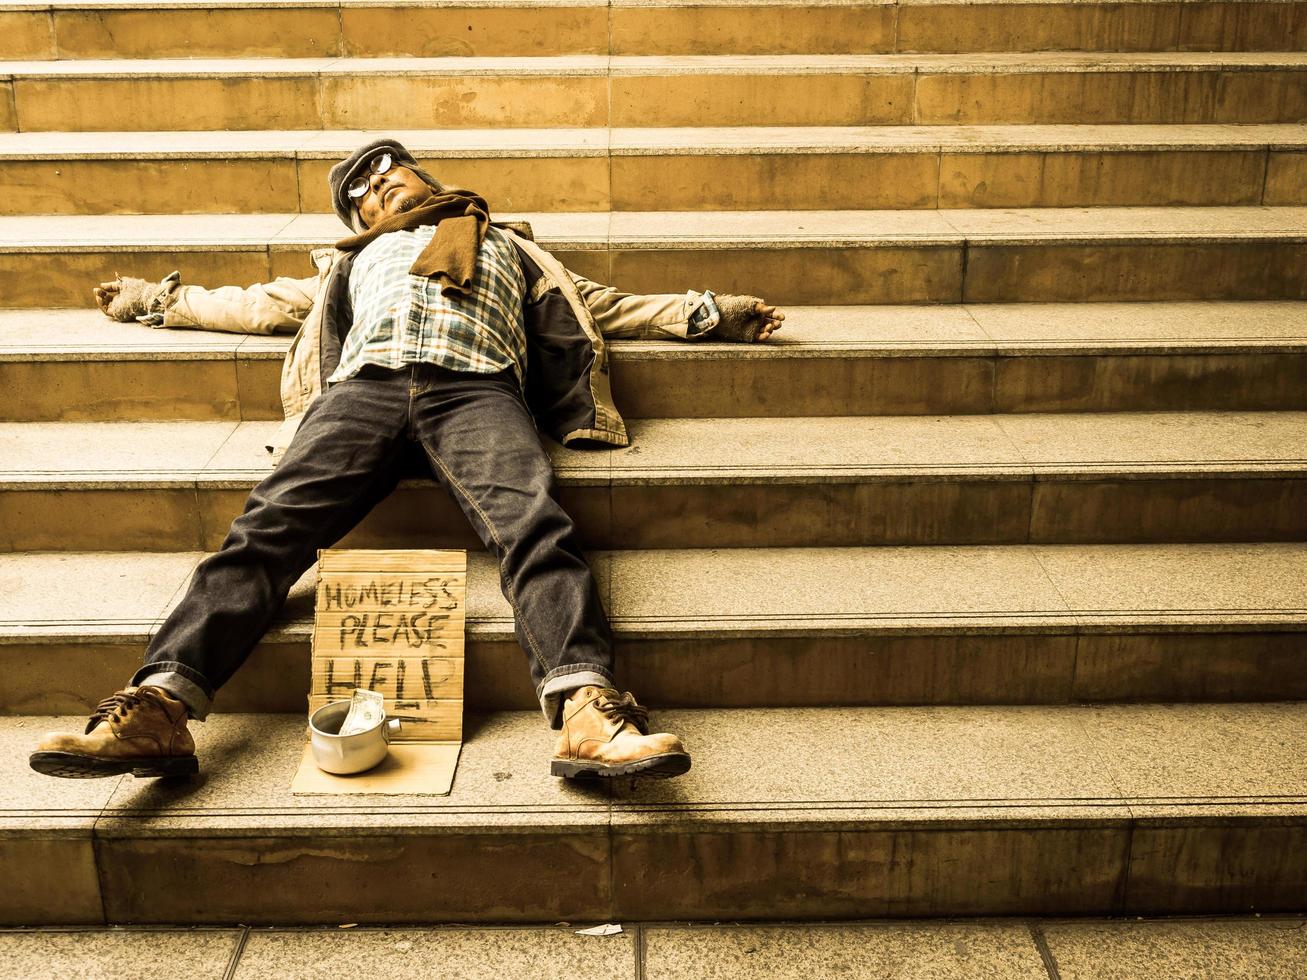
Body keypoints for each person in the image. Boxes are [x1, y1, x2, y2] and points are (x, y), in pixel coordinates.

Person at [29, 138, 784, 783]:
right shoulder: (353, 259)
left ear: (422, 176)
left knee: (536, 530)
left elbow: (613, 305)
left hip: (478, 393)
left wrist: (712, 313)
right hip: (362, 394)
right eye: (359, 190)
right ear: (361, 217)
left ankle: (587, 711)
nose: (375, 181)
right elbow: (252, 304)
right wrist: (150, 300)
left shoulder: (509, 246)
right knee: (263, 536)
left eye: (388, 167)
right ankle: (159, 707)